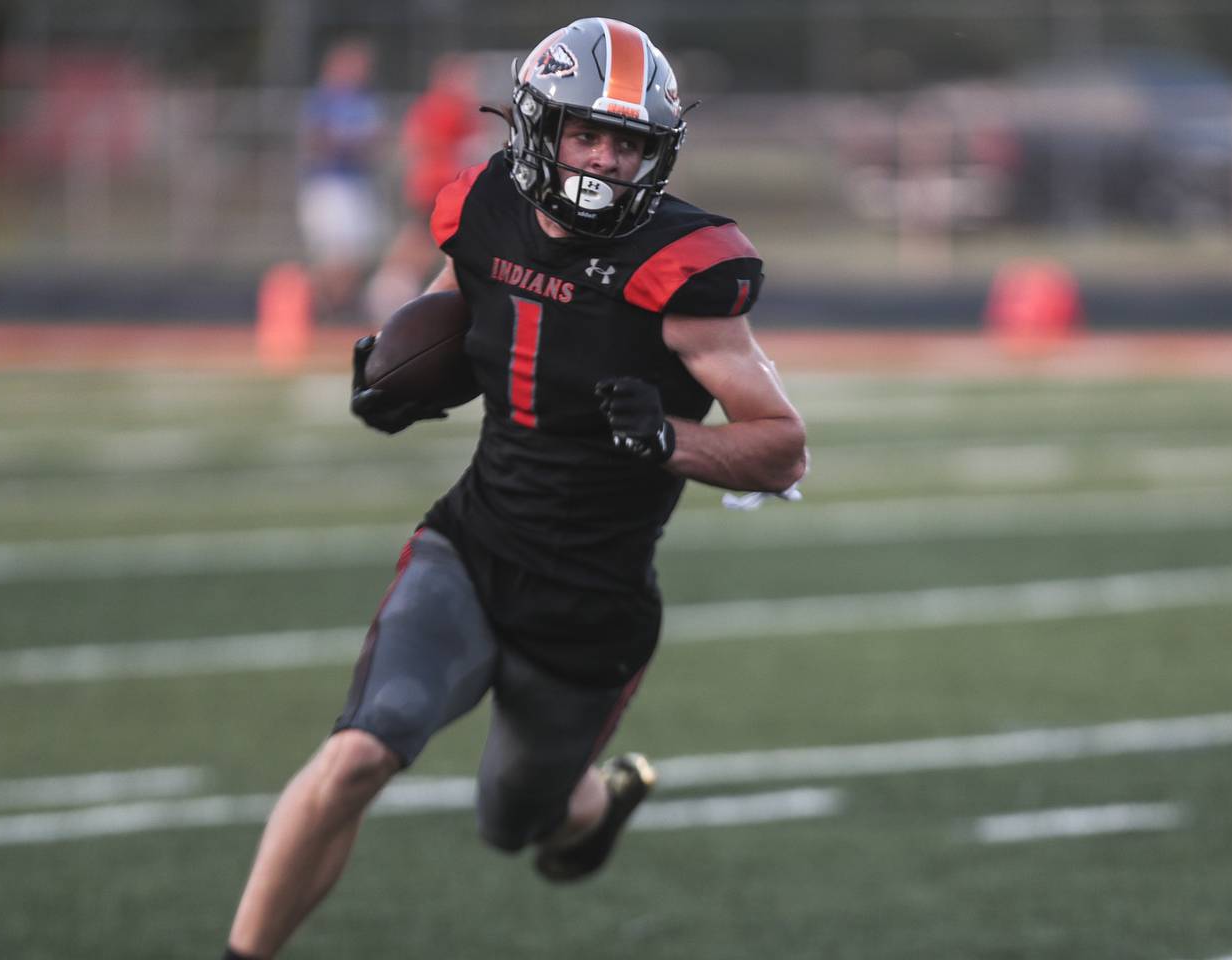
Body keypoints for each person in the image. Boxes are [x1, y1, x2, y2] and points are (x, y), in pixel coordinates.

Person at [221, 18, 807, 960]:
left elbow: (781, 449)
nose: (608, 160)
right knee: (360, 752)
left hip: (591, 604)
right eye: (589, 134)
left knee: (516, 822)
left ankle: (597, 797)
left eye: (629, 143)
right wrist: (404, 370)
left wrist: (670, 439)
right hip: (474, 548)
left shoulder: (684, 267)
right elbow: (474, 301)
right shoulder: (483, 205)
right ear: (540, 128)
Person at [364, 53, 483, 321]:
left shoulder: (445, 106)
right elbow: (423, 145)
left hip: (438, 186)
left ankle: (392, 293)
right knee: (422, 246)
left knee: (424, 248)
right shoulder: (445, 106)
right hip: (438, 187)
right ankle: (391, 296)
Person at [297, 39, 386, 319]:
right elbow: (315, 142)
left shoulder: (365, 101)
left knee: (355, 256)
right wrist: (347, 144)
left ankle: (331, 311)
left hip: (357, 183)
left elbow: (376, 143)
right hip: (330, 184)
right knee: (334, 257)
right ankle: (314, 309)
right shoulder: (323, 100)